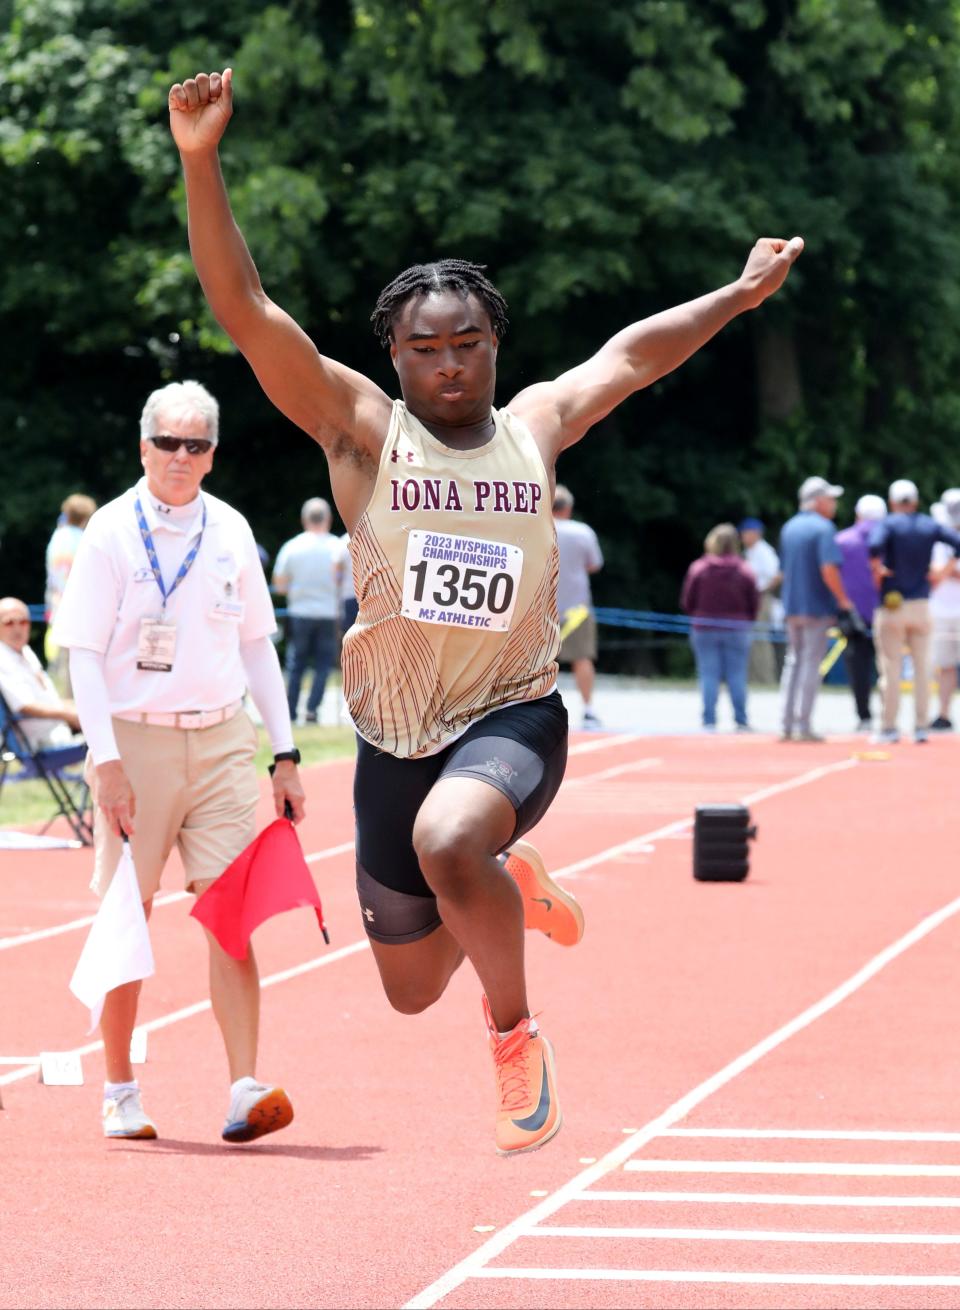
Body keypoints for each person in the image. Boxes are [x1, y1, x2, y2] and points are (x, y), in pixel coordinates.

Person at [169, 65, 803, 1154]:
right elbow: (247, 311)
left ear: (495, 343)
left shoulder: (536, 424)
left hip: (511, 715)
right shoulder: (363, 429)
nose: (450, 363)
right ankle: (507, 885)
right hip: (392, 731)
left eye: (468, 342)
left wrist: (738, 297)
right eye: (426, 347)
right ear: (395, 356)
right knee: (410, 982)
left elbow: (635, 355)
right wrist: (200, 158)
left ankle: (514, 1035)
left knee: (452, 836)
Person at [52, 380, 306, 1144]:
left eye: (196, 444)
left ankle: (242, 1088)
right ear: (143, 447)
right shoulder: (108, 532)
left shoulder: (230, 530)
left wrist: (286, 752)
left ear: (213, 455)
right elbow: (83, 656)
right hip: (136, 739)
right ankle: (120, 1090)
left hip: (223, 737)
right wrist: (105, 760)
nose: (180, 457)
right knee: (132, 916)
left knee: (231, 914)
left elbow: (259, 645)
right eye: (168, 442)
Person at [869, 479, 960, 744]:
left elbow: (874, 546)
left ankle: (889, 726)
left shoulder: (888, 524)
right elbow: (957, 543)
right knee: (923, 669)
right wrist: (941, 572)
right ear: (916, 501)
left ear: (892, 502)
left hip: (893, 604)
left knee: (891, 668)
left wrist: (878, 569)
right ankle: (921, 726)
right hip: (922, 604)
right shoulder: (929, 525)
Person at [778, 476, 863, 742]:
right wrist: (843, 600)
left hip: (791, 606)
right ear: (817, 501)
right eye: (830, 498)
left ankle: (786, 723)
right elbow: (828, 569)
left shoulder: (789, 527)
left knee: (793, 661)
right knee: (810, 664)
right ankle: (804, 724)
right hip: (815, 606)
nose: (834, 504)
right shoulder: (824, 529)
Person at [272, 497, 347, 723]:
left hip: (300, 612)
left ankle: (291, 710)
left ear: (304, 519)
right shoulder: (337, 546)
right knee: (324, 665)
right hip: (329, 614)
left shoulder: (292, 547)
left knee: (296, 664)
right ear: (329, 519)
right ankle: (313, 709)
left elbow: (280, 585)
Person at [680, 524, 759, 731]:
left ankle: (709, 720)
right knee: (737, 675)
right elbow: (754, 603)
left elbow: (687, 601)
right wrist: (746, 620)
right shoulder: (745, 570)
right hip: (737, 628)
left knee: (708, 674)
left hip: (704, 627)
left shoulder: (699, 568)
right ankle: (741, 720)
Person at [552, 485, 604, 728]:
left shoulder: (538, 528)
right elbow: (594, 565)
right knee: (582, 658)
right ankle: (588, 709)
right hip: (577, 608)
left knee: (536, 662)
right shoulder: (582, 532)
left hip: (541, 607)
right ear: (569, 508)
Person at [0, 596, 81, 749]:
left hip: (56, 729)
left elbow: (46, 698)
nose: (17, 628)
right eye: (9, 622)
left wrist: (77, 708)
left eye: (23, 622)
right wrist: (70, 714)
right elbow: (24, 705)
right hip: (41, 741)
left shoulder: (24, 650)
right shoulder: (3, 658)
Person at [835, 493, 886, 731]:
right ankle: (889, 715)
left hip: (853, 614)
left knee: (858, 667)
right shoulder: (889, 540)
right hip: (886, 611)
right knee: (889, 666)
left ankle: (864, 716)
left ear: (857, 514)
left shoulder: (842, 540)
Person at [44, 493, 97, 693]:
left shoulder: (57, 537)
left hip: (57, 610)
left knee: (59, 670)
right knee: (78, 671)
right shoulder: (86, 540)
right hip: (79, 612)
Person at [928, 489, 960, 731]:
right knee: (945, 665)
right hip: (940, 610)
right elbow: (933, 576)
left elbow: (940, 573)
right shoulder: (937, 540)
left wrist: (947, 571)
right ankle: (943, 713)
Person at [738, 517, 780, 684]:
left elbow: (777, 575)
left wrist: (761, 591)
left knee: (760, 639)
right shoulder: (750, 551)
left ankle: (765, 679)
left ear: (755, 534)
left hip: (760, 598)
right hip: (750, 598)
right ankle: (753, 678)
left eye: (745, 533)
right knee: (751, 640)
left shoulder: (764, 551)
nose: (742, 537)